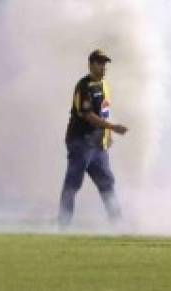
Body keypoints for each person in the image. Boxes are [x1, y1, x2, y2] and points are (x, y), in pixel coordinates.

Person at [59, 49, 129, 227]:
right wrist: (113, 127)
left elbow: (104, 112)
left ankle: (118, 225)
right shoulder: (84, 86)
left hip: (98, 145)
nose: (103, 66)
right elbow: (87, 115)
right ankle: (63, 225)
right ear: (91, 64)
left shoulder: (104, 85)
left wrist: (108, 134)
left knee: (107, 182)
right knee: (72, 184)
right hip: (80, 141)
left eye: (105, 63)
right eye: (99, 63)